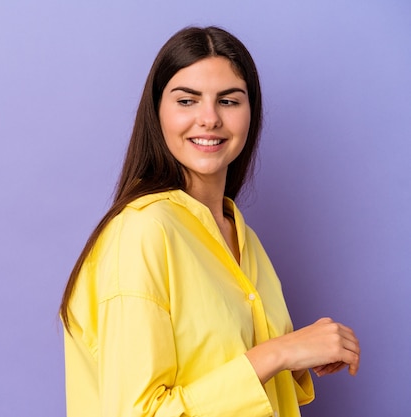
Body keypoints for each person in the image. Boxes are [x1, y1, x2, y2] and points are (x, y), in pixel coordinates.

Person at [59, 26, 360, 417]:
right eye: (187, 100)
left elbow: (226, 371)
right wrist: (279, 352)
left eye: (229, 101)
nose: (209, 118)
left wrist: (301, 353)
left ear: (251, 112)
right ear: (157, 111)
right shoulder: (143, 232)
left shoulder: (243, 236)